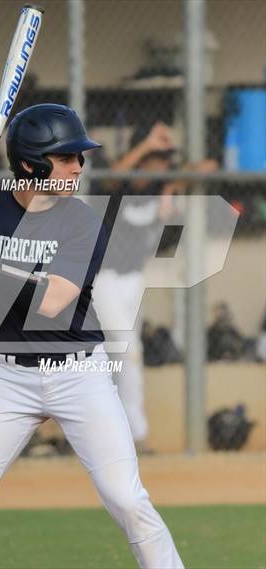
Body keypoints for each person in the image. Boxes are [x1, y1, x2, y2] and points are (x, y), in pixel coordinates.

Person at [0, 104, 184, 569]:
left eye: (79, 157)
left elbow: (53, 304)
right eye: (67, 157)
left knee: (127, 500)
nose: (80, 166)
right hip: (7, 380)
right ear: (32, 164)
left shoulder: (83, 221)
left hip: (79, 374)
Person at [93, 122, 217, 451]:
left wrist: (172, 183)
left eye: (165, 158)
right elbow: (112, 176)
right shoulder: (120, 186)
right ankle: (134, 437)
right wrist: (146, 144)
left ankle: (105, 435)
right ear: (141, 157)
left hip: (133, 281)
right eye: (155, 158)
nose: (161, 163)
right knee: (127, 350)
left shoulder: (162, 186)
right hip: (100, 278)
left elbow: (207, 168)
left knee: (113, 355)